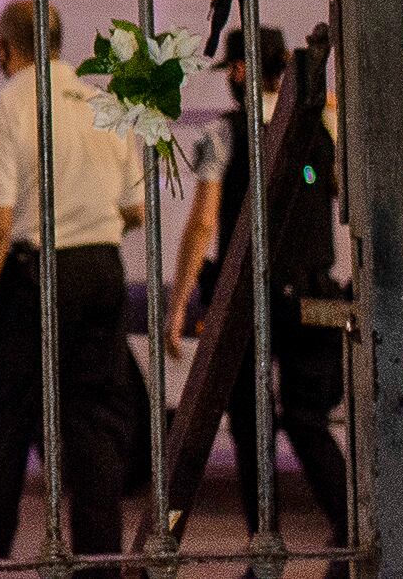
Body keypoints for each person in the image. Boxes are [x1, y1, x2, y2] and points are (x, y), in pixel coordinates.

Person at [0, 0, 146, 562]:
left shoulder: (5, 108)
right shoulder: (107, 103)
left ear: (4, 48)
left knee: (3, 425)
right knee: (94, 427)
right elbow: (135, 209)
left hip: (33, 276)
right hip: (101, 271)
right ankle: (98, 562)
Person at [167, 26, 349, 539]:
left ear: (243, 71)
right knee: (308, 418)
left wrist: (178, 303)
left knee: (250, 423)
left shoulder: (221, 134)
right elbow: (330, 189)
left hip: (250, 297)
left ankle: (263, 538)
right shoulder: (318, 131)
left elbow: (203, 222)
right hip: (310, 294)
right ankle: (346, 520)